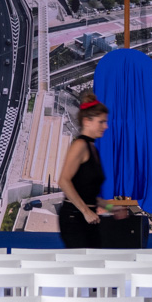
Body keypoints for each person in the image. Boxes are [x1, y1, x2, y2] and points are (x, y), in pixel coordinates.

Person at [57, 97, 122, 247]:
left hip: (88, 218)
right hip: (75, 219)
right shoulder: (80, 145)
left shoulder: (92, 148)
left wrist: (113, 208)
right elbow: (63, 181)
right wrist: (86, 212)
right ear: (87, 121)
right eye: (101, 122)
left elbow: (89, 194)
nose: (105, 126)